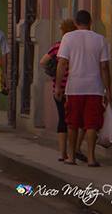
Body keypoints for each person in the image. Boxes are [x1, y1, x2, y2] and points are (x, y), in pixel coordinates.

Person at [55, 9, 111, 167]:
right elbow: (105, 67)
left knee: (73, 123)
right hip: (94, 87)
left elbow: (62, 63)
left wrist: (58, 86)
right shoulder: (100, 39)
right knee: (91, 124)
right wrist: (108, 90)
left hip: (74, 87)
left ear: (75, 23)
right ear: (90, 22)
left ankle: (71, 156)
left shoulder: (68, 38)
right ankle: (92, 158)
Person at [40, 18, 78, 162]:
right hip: (75, 87)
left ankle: (62, 153)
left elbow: (43, 61)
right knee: (74, 121)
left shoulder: (57, 46)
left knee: (62, 118)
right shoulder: (77, 46)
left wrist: (53, 72)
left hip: (59, 87)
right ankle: (73, 150)